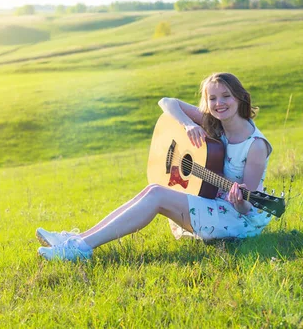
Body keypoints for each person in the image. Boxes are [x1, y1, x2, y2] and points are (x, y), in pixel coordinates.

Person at [36, 72, 273, 261]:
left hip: (235, 219)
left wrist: (239, 199)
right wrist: (187, 125)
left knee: (157, 194)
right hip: (212, 203)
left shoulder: (255, 146)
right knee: (151, 190)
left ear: (240, 97)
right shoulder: (215, 124)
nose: (219, 103)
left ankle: (80, 248)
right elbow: (167, 102)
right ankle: (77, 239)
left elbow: (247, 207)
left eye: (226, 96)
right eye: (212, 98)